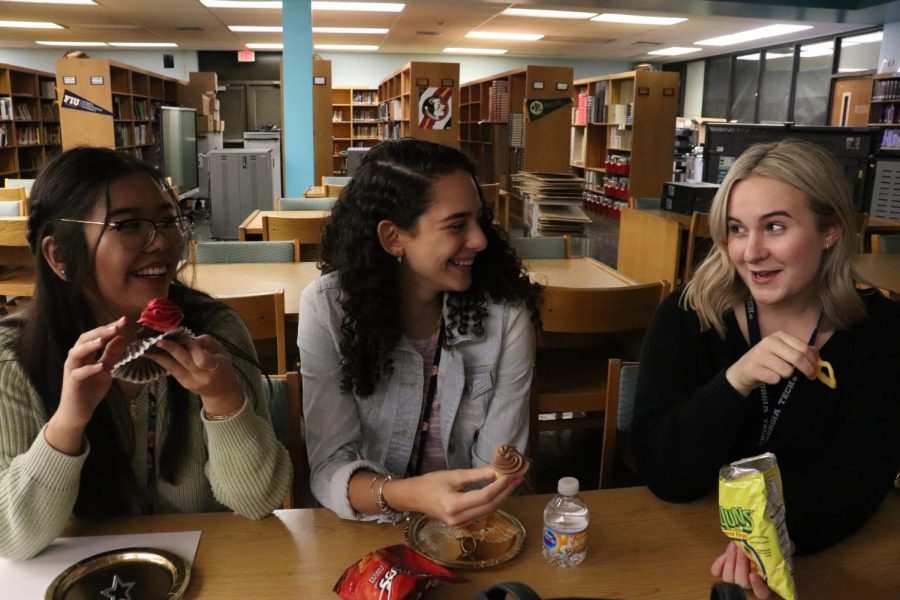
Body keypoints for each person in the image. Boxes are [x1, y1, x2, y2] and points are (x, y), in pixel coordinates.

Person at [631, 140, 900, 596]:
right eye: (737, 229)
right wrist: (735, 381)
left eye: (774, 227)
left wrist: (766, 540)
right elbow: (664, 473)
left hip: (809, 551)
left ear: (830, 229)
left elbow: (857, 476)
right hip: (680, 545)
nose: (750, 252)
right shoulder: (687, 314)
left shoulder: (883, 332)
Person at [0, 147, 291, 560]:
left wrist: (224, 401)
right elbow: (12, 540)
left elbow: (258, 501)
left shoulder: (215, 333)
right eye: (129, 225)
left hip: (210, 570)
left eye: (168, 221)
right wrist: (67, 422)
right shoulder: (13, 360)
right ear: (59, 255)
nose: (162, 241)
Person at [299, 139, 541, 524]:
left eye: (479, 220)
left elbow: (495, 471)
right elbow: (330, 467)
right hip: (363, 527)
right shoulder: (327, 308)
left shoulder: (506, 315)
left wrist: (450, 514)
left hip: (476, 523)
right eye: (457, 225)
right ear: (393, 237)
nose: (479, 239)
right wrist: (408, 496)